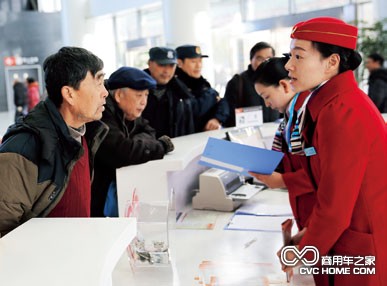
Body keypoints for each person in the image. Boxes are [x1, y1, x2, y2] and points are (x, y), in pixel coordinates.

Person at [279, 17, 387, 286]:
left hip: (358, 249)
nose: (288, 65)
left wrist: (301, 252)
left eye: (299, 56)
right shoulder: (329, 104)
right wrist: (308, 235)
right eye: (290, 55)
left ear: (331, 62)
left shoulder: (343, 113)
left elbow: (335, 209)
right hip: (349, 241)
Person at [0, 47, 109, 236]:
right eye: (98, 82)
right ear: (69, 94)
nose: (105, 92)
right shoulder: (22, 150)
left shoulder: (85, 133)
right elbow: (4, 230)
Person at [91, 67, 174, 217]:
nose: (143, 102)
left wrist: (134, 142)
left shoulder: (129, 112)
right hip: (97, 201)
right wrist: (161, 146)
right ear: (119, 95)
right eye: (138, 95)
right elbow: (122, 152)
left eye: (146, 95)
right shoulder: (102, 113)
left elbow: (150, 132)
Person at [249, 56, 316, 232]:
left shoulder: (306, 115)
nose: (267, 104)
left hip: (316, 209)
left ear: (284, 85)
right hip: (306, 209)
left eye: (267, 96)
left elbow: (322, 173)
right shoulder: (290, 117)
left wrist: (282, 181)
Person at [142, 47, 196, 138]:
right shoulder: (136, 89)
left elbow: (189, 130)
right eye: (162, 65)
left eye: (171, 66)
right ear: (150, 63)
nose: (167, 71)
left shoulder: (181, 93)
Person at [223, 42, 280, 127]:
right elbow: (227, 115)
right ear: (251, 60)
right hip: (247, 135)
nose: (264, 62)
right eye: (259, 58)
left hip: (274, 132)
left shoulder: (278, 80)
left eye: (268, 59)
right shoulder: (237, 82)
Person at [175, 44, 229, 131]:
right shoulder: (176, 85)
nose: (198, 65)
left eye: (200, 61)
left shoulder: (201, 82)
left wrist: (217, 118)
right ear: (179, 63)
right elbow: (195, 110)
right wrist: (213, 98)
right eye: (193, 62)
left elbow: (224, 103)